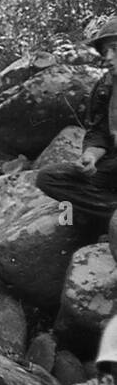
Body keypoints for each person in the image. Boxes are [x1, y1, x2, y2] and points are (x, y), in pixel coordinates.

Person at [35, 18, 117, 232]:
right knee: (49, 178)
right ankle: (111, 212)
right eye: (105, 52)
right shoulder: (105, 87)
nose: (108, 58)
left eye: (115, 49)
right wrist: (90, 157)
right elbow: (99, 133)